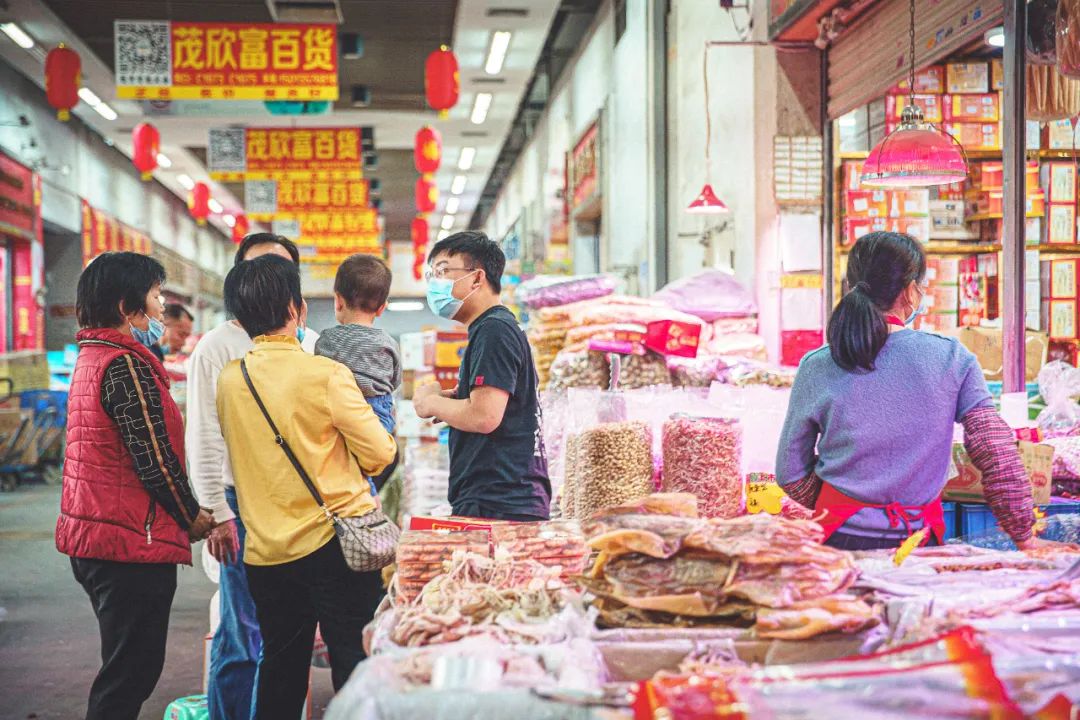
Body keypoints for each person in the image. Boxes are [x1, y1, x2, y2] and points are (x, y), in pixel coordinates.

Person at [216, 255, 397, 720]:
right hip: (335, 547)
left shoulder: (230, 380)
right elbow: (380, 454)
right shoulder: (326, 375)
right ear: (296, 310)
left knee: (279, 665)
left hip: (266, 552)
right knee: (354, 662)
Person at [776, 232, 1039, 551]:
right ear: (911, 291)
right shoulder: (951, 357)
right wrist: (1025, 536)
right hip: (917, 543)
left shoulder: (816, 365)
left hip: (837, 542)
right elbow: (994, 449)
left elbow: (790, 473)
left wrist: (844, 505)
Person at [55, 252, 215, 720]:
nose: (162, 306)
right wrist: (193, 516)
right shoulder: (125, 366)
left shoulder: (94, 356)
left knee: (126, 665)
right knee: (131, 671)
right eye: (156, 295)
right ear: (128, 307)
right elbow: (154, 459)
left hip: (98, 534)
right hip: (126, 543)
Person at [186, 233, 320, 720]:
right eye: (259, 269)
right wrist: (216, 513)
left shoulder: (311, 344)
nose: (271, 280)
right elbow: (203, 436)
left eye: (282, 271)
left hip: (302, 507)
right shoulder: (217, 347)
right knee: (242, 634)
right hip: (240, 506)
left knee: (288, 635)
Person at [412, 231, 551, 520]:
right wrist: (456, 402)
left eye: (443, 271)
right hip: (499, 498)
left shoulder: (494, 330)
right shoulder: (490, 329)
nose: (435, 282)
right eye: (432, 274)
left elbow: (484, 416)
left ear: (477, 278)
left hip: (500, 502)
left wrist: (429, 402)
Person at [314, 254, 401, 495]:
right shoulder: (387, 343)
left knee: (342, 463)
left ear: (338, 301)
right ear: (382, 308)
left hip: (336, 414)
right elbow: (395, 381)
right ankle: (369, 496)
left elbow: (319, 375)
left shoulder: (325, 339)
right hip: (378, 411)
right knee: (371, 464)